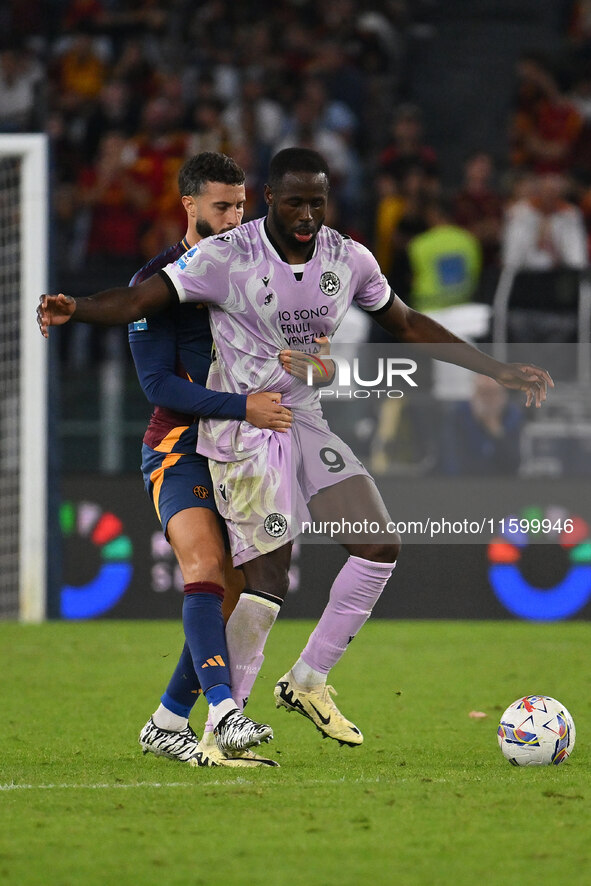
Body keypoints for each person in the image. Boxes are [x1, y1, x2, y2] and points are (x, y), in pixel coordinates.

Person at [38, 148, 553, 749]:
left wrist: (492, 368)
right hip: (243, 430)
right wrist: (78, 308)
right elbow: (136, 303)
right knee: (259, 580)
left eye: (317, 201)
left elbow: (406, 323)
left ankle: (307, 678)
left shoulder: (349, 257)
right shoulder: (225, 256)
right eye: (294, 202)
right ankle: (222, 723)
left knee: (378, 543)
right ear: (270, 201)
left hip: (302, 417)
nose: (308, 214)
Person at [129, 151, 297, 768]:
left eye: (240, 205)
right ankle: (226, 713)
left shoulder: (262, 271)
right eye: (220, 206)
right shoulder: (156, 282)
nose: (233, 218)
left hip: (243, 451)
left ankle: (168, 718)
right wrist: (242, 406)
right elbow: (158, 386)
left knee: (232, 587)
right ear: (190, 205)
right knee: (203, 566)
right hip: (178, 446)